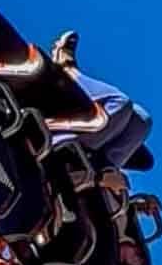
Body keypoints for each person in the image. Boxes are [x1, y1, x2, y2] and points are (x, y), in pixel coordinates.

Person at [50, 30, 153, 171]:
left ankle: (69, 72)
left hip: (67, 151)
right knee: (141, 119)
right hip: (88, 153)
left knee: (119, 103)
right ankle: (106, 168)